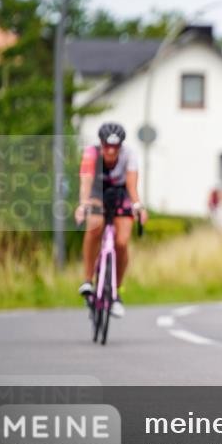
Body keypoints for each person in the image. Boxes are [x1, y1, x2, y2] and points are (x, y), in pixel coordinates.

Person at [74, 122, 146, 318]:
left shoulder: (129, 155)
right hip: (97, 191)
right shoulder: (91, 154)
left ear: (121, 145)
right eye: (107, 146)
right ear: (101, 143)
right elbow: (86, 182)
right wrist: (83, 204)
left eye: (116, 146)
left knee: (121, 242)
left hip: (120, 192)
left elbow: (131, 185)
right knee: (94, 227)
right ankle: (88, 280)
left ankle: (116, 293)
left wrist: (137, 205)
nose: (111, 151)